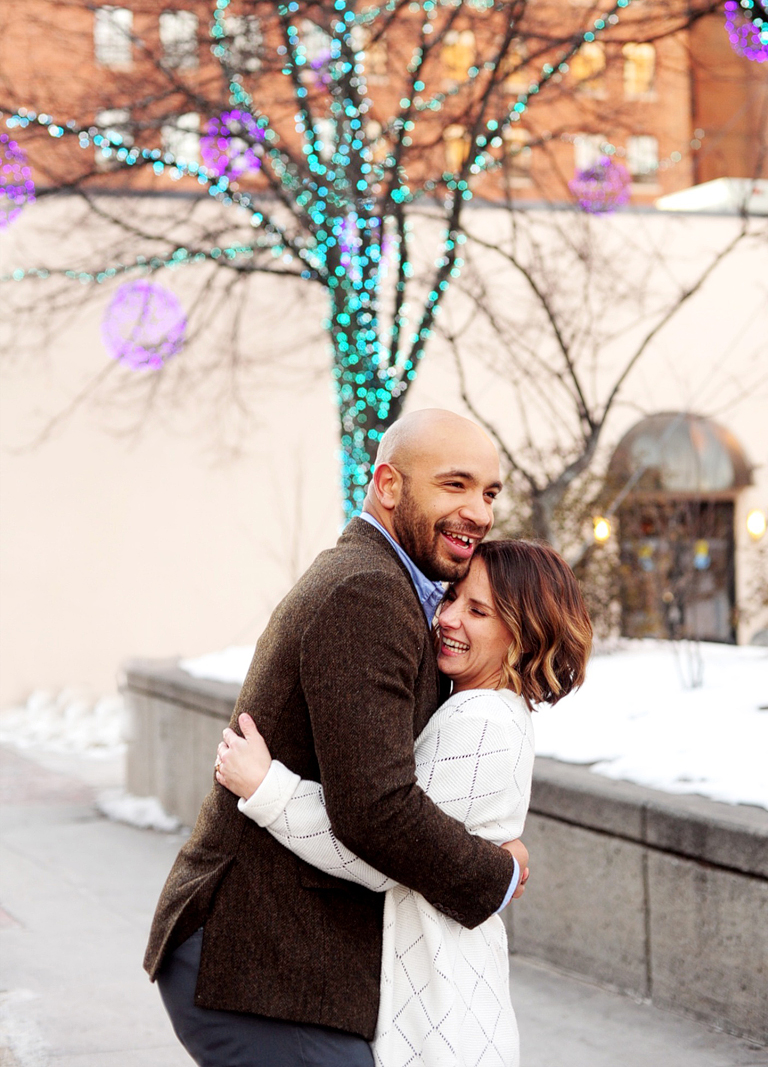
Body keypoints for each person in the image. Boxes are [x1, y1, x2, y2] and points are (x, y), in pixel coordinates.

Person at [145, 409, 531, 1067]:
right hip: (252, 959)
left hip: (288, 960)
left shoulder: (395, 588)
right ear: (388, 483)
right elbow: (376, 811)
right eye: (455, 484)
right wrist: (496, 872)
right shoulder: (367, 591)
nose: (479, 510)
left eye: (490, 492)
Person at [215, 539, 594, 1067]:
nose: (449, 618)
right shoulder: (476, 706)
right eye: (453, 597)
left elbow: (380, 850)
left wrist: (266, 789)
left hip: (437, 1015)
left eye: (478, 611)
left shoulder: (481, 722)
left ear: (523, 636)